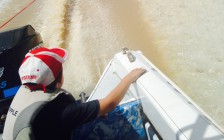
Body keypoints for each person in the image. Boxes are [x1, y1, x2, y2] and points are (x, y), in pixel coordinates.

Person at [2, 46, 146, 140]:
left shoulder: (24, 90)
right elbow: (110, 103)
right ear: (59, 79)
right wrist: (129, 77)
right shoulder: (59, 109)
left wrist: (93, 110)